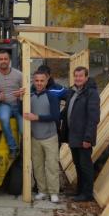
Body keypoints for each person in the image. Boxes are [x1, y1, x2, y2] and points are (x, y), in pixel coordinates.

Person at [60, 66, 100, 202]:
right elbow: (66, 111)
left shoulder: (91, 93)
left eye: (80, 76)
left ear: (86, 77)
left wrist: (88, 138)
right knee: (77, 164)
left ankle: (87, 193)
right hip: (73, 135)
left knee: (85, 165)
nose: (78, 78)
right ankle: (79, 191)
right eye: (76, 76)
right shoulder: (72, 91)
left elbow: (93, 117)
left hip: (84, 137)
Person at [23, 71, 62, 203]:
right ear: (33, 81)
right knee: (37, 166)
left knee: (51, 165)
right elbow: (21, 112)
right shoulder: (30, 97)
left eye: (42, 81)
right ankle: (42, 191)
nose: (39, 83)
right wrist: (19, 98)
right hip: (35, 138)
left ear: (46, 81)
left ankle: (54, 192)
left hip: (50, 137)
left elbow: (56, 116)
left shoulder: (52, 96)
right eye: (37, 80)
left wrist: (37, 117)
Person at [0, 49, 25, 159]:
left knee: (24, 130)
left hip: (18, 105)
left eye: (5, 59)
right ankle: (13, 147)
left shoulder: (19, 75)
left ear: (9, 60)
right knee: (4, 118)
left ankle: (25, 153)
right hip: (4, 105)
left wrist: (22, 93)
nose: (3, 61)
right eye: (1, 59)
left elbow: (28, 91)